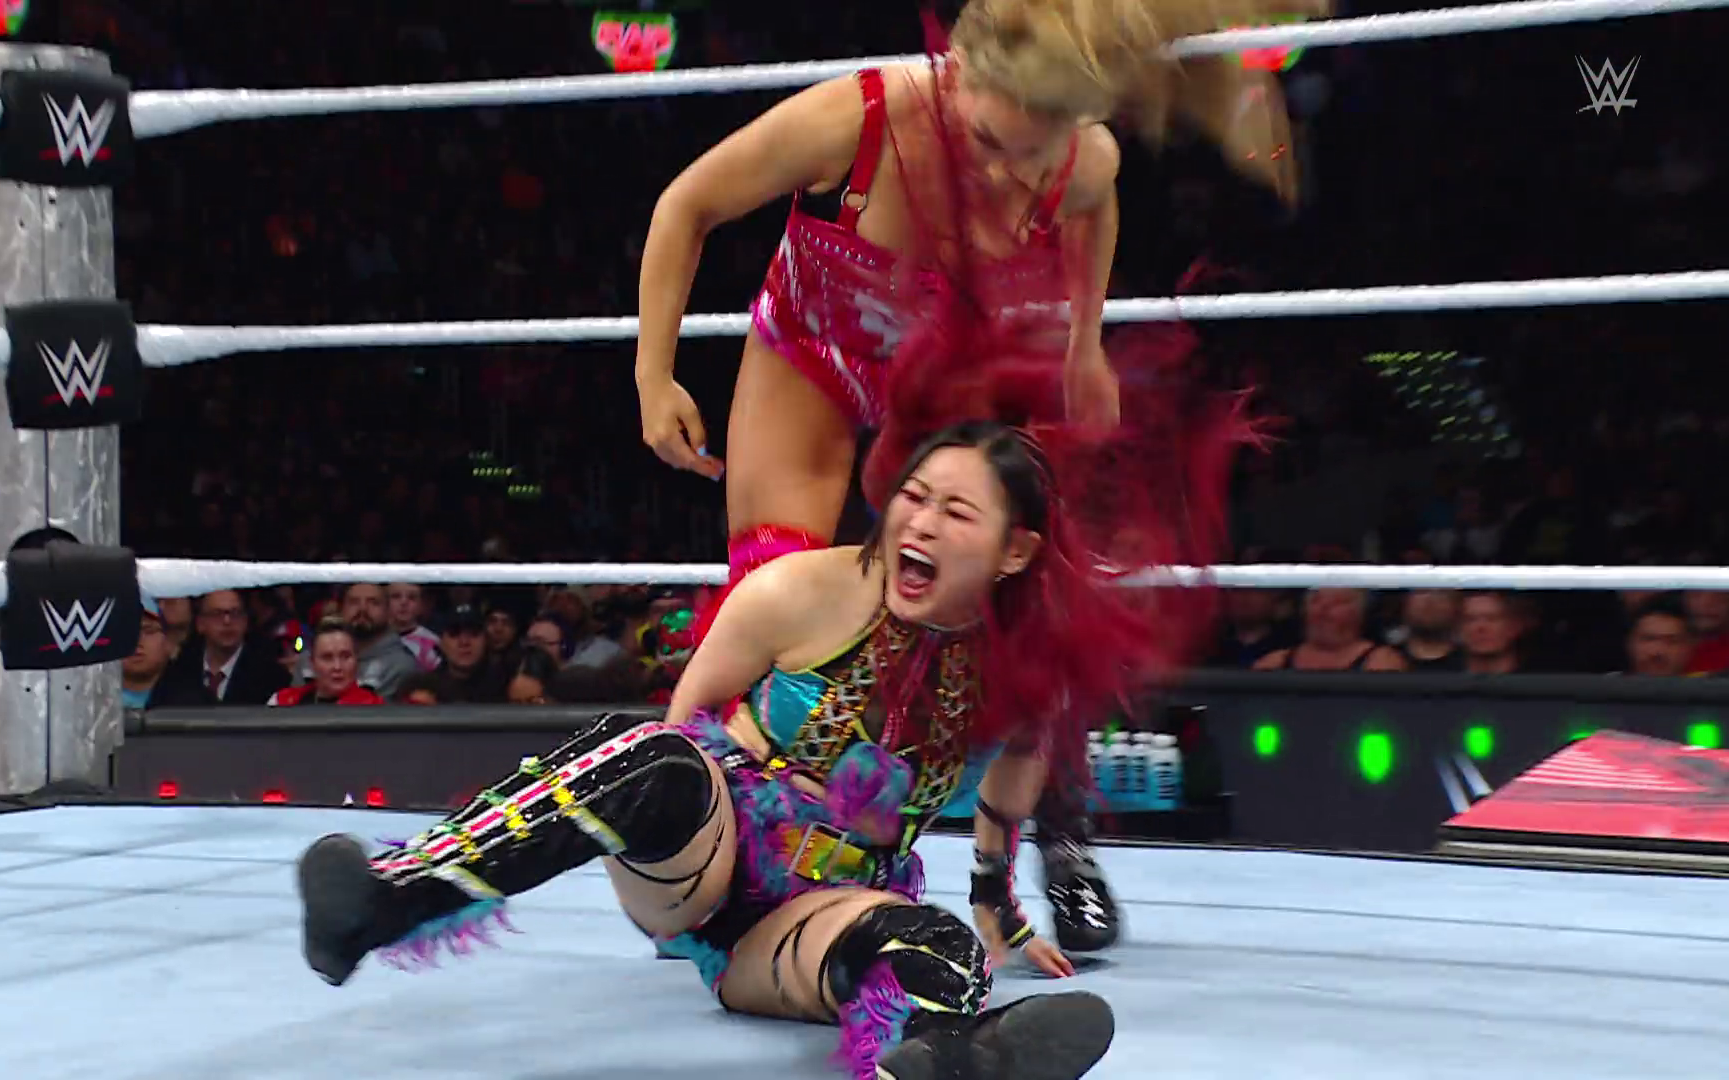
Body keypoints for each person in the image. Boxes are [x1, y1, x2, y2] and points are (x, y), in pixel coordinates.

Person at [636, 0, 1311, 953]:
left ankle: (1043, 842)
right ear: (958, 76)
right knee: (774, 590)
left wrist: (1084, 343)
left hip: (953, 368)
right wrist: (654, 373)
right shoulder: (858, 118)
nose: (1006, 176)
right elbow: (686, 204)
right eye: (991, 143)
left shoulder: (1085, 160)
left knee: (1037, 602)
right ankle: (731, 849)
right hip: (816, 351)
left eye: (1035, 155)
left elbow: (1095, 207)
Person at [293, 419, 1219, 1080]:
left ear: (1014, 552)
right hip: (708, 861)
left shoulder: (1018, 674)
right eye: (913, 496)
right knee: (652, 757)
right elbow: (680, 726)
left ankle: (946, 1061)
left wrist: (998, 908)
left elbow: (1011, 788)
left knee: (934, 946)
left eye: (956, 512)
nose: (921, 523)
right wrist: (699, 823)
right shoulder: (799, 592)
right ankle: (382, 903)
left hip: (814, 914)